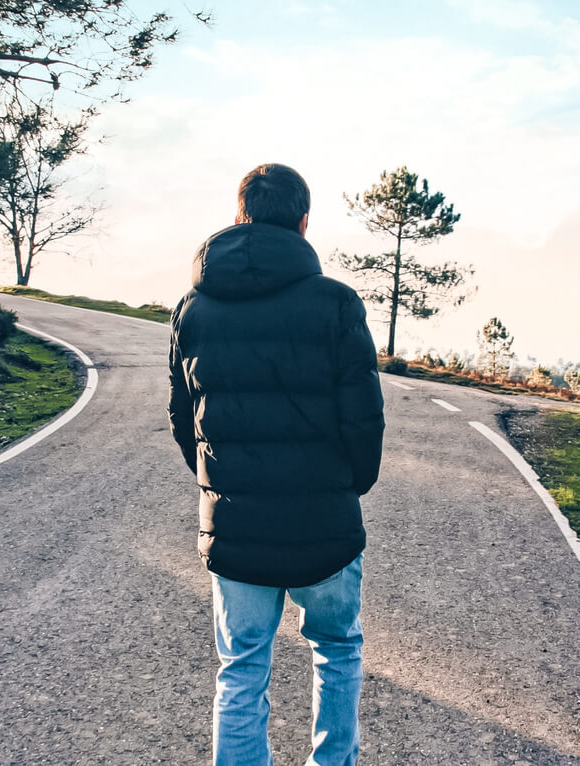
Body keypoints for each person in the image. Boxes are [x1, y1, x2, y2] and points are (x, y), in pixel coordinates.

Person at [167, 163, 386, 765]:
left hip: (235, 519)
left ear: (241, 216)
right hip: (325, 519)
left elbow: (185, 421)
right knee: (336, 648)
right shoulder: (338, 304)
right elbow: (364, 419)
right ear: (304, 223)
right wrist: (350, 485)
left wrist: (220, 480)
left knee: (241, 665)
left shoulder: (194, 309)